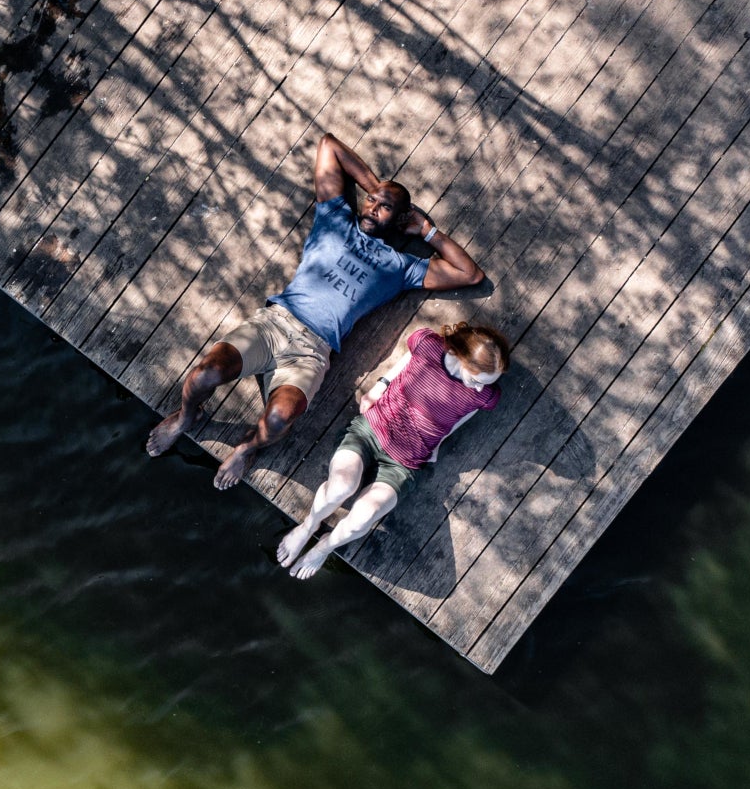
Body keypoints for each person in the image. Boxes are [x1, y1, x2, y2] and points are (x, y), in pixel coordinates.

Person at [144, 132, 485, 489]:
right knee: (204, 375)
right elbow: (328, 146)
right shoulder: (335, 218)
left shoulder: (400, 266)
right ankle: (186, 417)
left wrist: (426, 231)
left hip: (312, 352)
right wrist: (379, 189)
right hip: (275, 324)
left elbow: (470, 274)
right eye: (369, 201)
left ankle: (248, 447)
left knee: (278, 419)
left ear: (400, 221)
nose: (370, 207)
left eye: (382, 207)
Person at [278, 321, 510, 579]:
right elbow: (408, 357)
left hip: (405, 461)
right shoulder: (428, 345)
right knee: (340, 487)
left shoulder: (484, 396)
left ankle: (324, 547)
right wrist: (380, 386)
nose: (481, 387)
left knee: (364, 515)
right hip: (372, 429)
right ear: (459, 355)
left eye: (487, 382)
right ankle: (308, 526)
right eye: (477, 380)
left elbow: (462, 417)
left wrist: (440, 441)